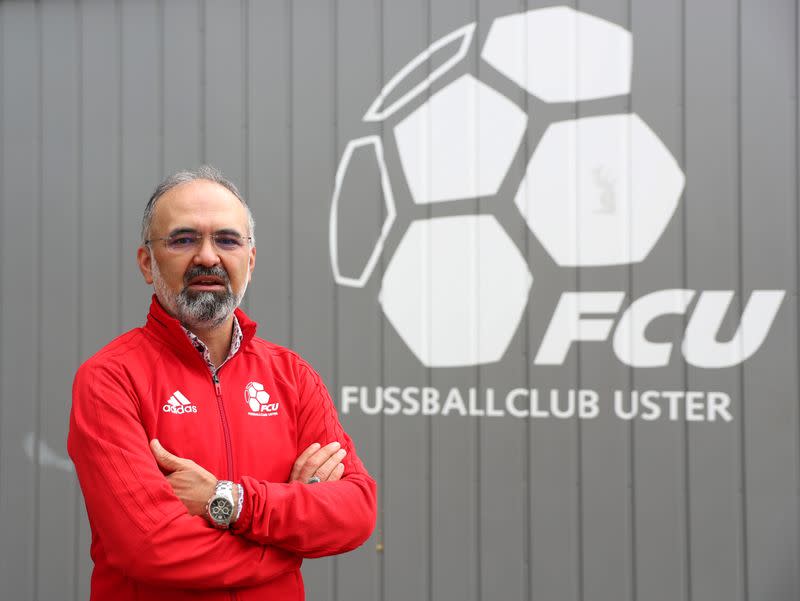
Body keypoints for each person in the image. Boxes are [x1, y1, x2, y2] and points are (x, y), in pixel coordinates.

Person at [68, 166, 377, 600]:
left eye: (227, 240)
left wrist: (229, 500)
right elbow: (151, 547)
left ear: (250, 260)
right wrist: (287, 545)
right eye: (183, 239)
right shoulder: (110, 379)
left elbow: (356, 511)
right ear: (146, 262)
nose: (208, 257)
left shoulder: (292, 376)